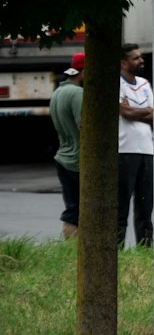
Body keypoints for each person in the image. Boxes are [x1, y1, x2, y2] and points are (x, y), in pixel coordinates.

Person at [116, 43, 154, 248]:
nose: (141, 61)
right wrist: (143, 110)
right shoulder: (118, 84)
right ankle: (117, 248)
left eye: (140, 57)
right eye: (135, 58)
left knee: (145, 205)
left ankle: (146, 249)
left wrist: (135, 111)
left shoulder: (144, 83)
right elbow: (125, 113)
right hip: (124, 150)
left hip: (147, 150)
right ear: (123, 62)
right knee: (121, 206)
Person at [50, 53, 84, 240]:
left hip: (62, 157)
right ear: (84, 71)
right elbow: (83, 125)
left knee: (72, 208)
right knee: (83, 208)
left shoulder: (57, 93)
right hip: (78, 159)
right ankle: (80, 250)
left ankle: (70, 250)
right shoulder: (78, 93)